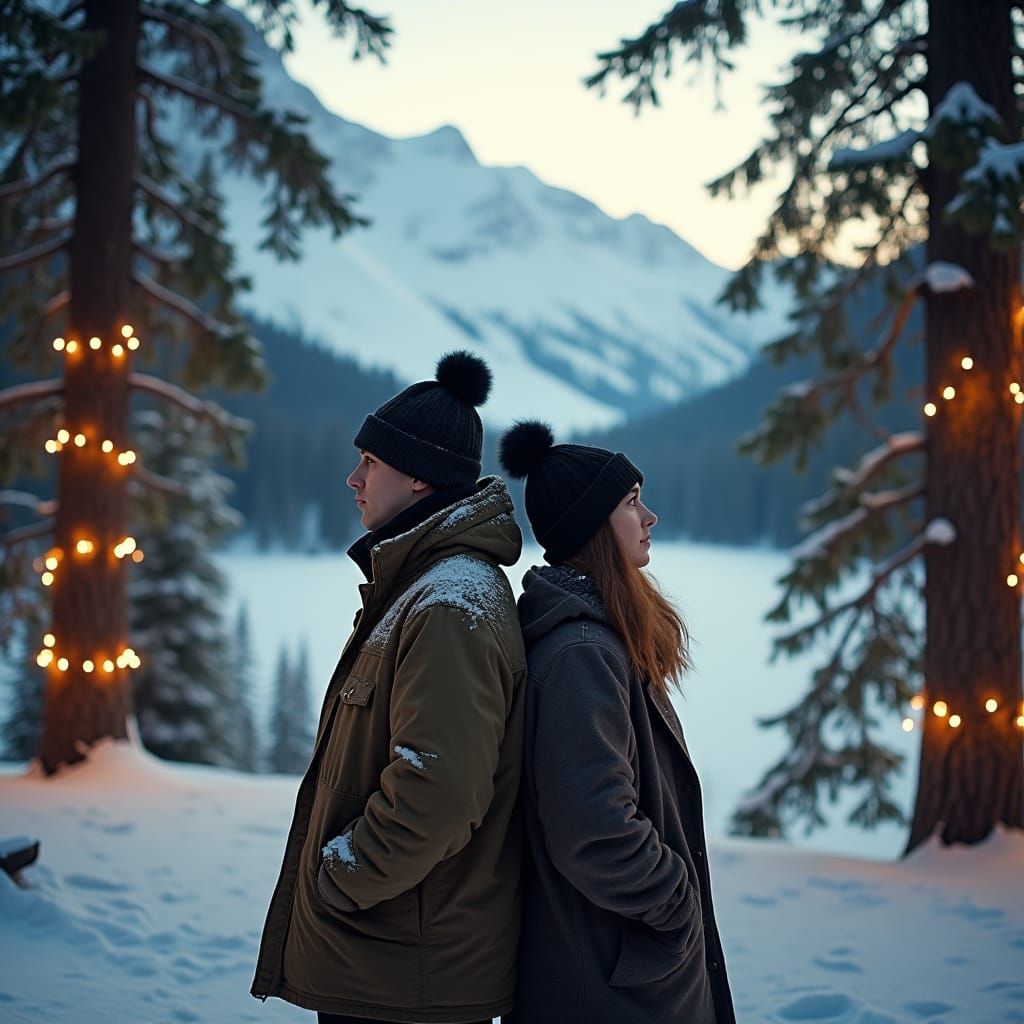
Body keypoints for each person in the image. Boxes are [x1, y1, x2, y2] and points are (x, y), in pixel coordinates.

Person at [252, 351, 527, 1024]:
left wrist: (347, 877)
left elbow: (441, 787)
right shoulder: (424, 590)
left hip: (405, 975)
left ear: (419, 477)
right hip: (390, 964)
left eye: (369, 462)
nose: (353, 479)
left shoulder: (447, 606)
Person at [499, 420, 736, 1024]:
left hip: (625, 972)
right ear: (593, 526)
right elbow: (595, 832)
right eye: (632, 503)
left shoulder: (599, 637)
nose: (649, 517)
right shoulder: (583, 653)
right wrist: (677, 904)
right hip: (609, 985)